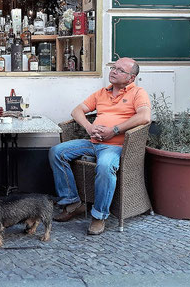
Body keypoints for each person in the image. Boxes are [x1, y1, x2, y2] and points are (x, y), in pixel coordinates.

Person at [48, 57, 151, 235]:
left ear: (131, 78)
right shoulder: (102, 92)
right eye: (113, 67)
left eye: (120, 70)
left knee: (105, 166)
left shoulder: (138, 93)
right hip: (93, 142)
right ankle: (72, 202)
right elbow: (76, 111)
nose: (113, 71)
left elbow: (144, 117)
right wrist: (89, 127)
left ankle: (99, 215)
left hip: (116, 147)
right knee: (57, 151)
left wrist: (115, 130)